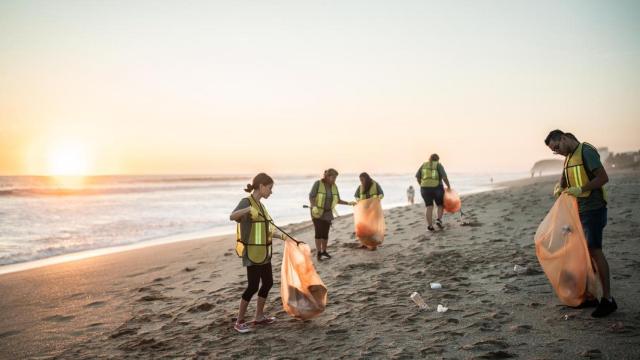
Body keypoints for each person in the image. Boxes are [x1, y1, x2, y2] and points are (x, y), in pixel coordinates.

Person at [545, 130, 616, 317]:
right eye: (554, 151)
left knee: (594, 250)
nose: (558, 152)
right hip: (578, 211)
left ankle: (608, 300)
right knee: (582, 253)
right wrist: (560, 187)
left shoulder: (586, 152)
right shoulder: (568, 157)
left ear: (565, 138)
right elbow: (564, 178)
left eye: (557, 147)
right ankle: (591, 296)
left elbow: (603, 178)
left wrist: (581, 189)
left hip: (593, 209)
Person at [230, 173, 288, 333]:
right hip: (252, 252)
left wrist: (285, 237)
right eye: (270, 188)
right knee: (253, 286)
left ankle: (259, 316)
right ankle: (239, 321)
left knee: (268, 282)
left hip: (264, 251)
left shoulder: (262, 206)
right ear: (261, 186)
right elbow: (232, 216)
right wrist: (248, 210)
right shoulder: (246, 201)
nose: (271, 192)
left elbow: (268, 229)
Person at [309, 168, 355, 260]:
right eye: (333, 177)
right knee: (319, 232)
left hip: (328, 212)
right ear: (327, 176)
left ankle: (324, 251)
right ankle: (319, 252)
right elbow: (311, 196)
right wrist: (314, 207)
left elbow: (337, 200)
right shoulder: (318, 184)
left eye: (335, 178)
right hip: (317, 212)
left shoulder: (334, 186)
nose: (334, 179)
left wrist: (349, 203)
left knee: (325, 233)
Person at [416, 154, 451, 231]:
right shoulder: (438, 165)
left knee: (429, 207)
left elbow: (417, 176)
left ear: (429, 159)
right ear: (438, 159)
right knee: (440, 205)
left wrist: (421, 185)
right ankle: (438, 219)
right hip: (437, 188)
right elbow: (444, 177)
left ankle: (430, 226)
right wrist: (449, 187)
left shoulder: (424, 165)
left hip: (424, 188)